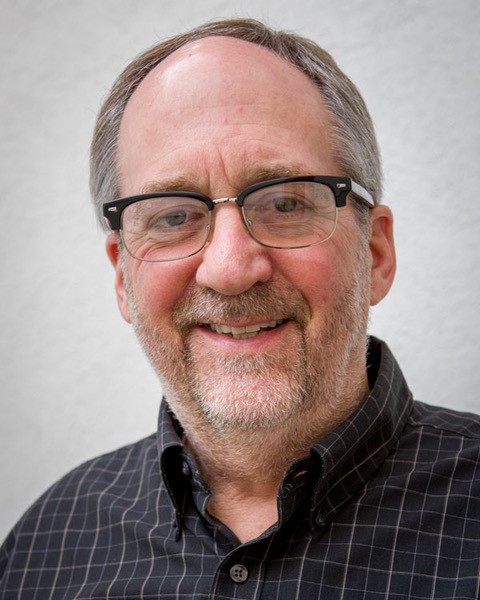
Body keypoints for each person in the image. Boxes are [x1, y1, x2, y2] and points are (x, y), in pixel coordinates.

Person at [0, 17, 479, 599]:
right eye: (174, 216)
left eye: (285, 203)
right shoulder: (43, 549)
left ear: (375, 254)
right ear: (123, 277)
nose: (230, 269)